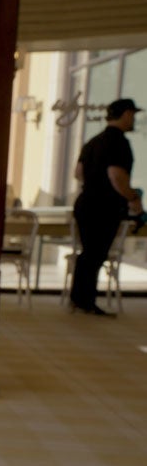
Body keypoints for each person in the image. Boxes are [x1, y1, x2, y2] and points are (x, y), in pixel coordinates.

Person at [69, 98, 141, 317]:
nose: (134, 119)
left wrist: (92, 185)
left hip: (85, 202)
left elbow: (78, 172)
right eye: (132, 115)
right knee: (96, 253)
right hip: (104, 206)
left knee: (88, 253)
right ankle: (86, 300)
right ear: (126, 114)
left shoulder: (93, 141)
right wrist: (134, 199)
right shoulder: (118, 142)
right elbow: (116, 175)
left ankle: (79, 298)